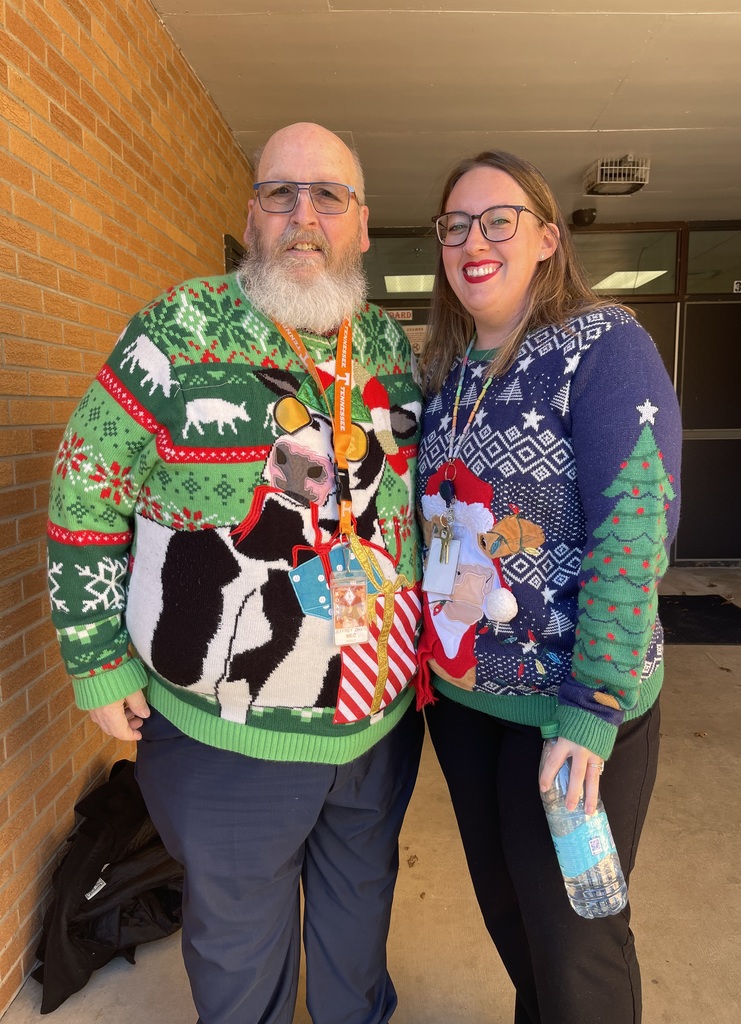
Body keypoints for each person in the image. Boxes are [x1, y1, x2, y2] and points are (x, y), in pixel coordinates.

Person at [46, 122, 424, 1024]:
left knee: (355, 930)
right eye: (279, 195)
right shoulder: (177, 329)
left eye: (328, 196)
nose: (304, 217)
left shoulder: (388, 349)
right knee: (241, 955)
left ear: (363, 225)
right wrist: (95, 658)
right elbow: (83, 482)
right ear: (251, 216)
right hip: (229, 736)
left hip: (375, 726)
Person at [415, 150, 682, 1024]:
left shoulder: (606, 346)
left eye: (499, 220)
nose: (473, 241)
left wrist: (592, 703)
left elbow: (635, 532)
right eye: (455, 225)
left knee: (577, 956)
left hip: (571, 712)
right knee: (515, 929)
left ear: (547, 240)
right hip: (465, 707)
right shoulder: (446, 374)